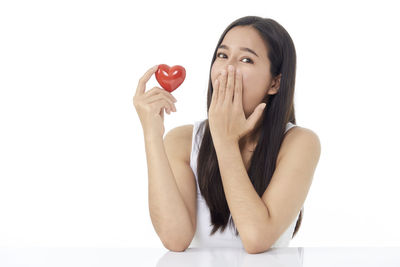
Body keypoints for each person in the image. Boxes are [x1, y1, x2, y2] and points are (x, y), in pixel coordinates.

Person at [133, 16, 321, 254]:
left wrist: (225, 140)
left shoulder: (299, 143)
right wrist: (152, 135)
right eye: (222, 56)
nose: (227, 69)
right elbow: (175, 238)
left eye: (246, 59)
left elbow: (256, 239)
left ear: (275, 83)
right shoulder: (181, 141)